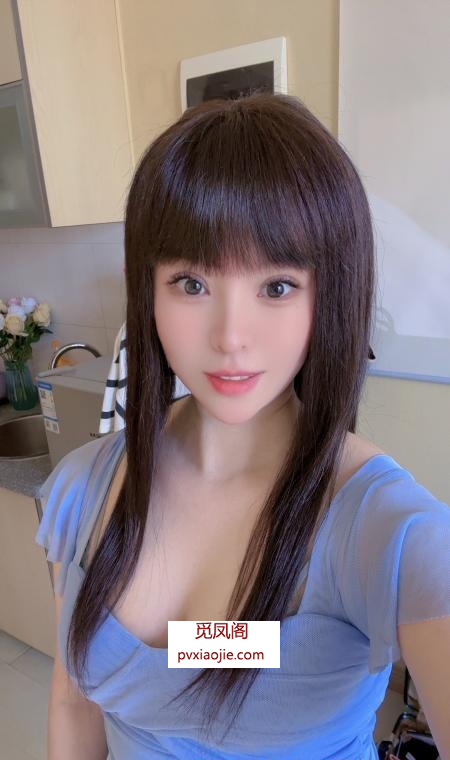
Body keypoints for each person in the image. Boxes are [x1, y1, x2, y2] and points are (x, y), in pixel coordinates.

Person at [35, 91, 450, 760]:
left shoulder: (393, 533)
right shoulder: (80, 490)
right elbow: (71, 702)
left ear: (330, 292)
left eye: (276, 286)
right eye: (191, 283)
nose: (231, 337)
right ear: (148, 289)